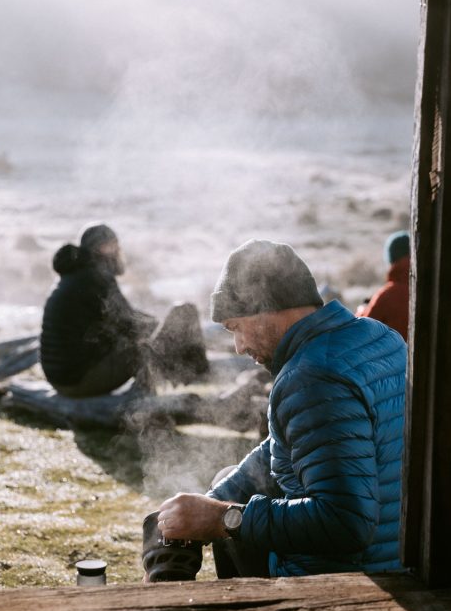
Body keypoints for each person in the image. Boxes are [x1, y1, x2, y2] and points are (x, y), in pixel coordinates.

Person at [153, 239, 406, 578]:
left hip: (347, 575)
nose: (239, 346)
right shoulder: (378, 336)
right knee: (225, 479)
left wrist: (223, 518)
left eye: (236, 328)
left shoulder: (311, 377)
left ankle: (249, 608)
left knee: (232, 520)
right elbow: (290, 442)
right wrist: (210, 502)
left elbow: (346, 523)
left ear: (265, 307)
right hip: (399, 550)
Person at [39, 223, 208, 398]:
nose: (118, 251)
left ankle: (171, 384)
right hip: (78, 381)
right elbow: (128, 323)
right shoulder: (95, 277)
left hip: (64, 379)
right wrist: (161, 332)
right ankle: (151, 400)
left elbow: (123, 318)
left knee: (140, 342)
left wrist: (155, 327)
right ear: (103, 247)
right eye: (114, 245)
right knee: (183, 312)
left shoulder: (81, 274)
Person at [355, 230, 410, 338]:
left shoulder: (388, 295)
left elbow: (361, 330)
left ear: (391, 259)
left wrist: (362, 310)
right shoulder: (431, 289)